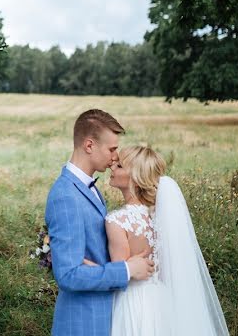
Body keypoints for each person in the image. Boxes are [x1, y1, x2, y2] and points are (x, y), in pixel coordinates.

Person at [44, 109, 154, 336]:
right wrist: (126, 269)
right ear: (89, 145)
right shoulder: (66, 196)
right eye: (112, 149)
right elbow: (68, 275)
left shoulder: (89, 189)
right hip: (84, 323)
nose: (115, 157)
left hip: (107, 315)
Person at [104, 145, 229, 336]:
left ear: (135, 179)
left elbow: (119, 276)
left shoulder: (116, 221)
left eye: (119, 166)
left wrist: (87, 264)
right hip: (161, 300)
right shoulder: (161, 216)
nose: (112, 168)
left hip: (133, 303)